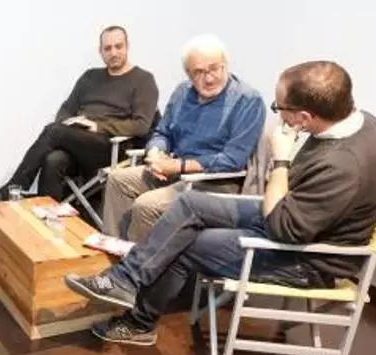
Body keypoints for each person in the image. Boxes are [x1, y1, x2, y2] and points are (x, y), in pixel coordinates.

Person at [65, 61, 376, 346]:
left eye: (279, 108)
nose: (277, 114)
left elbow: (283, 230)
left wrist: (280, 161)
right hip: (293, 215)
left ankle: (140, 323)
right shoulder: (361, 121)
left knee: (184, 242)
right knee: (190, 204)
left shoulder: (343, 166)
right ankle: (125, 279)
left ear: (305, 117)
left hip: (308, 258)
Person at [0, 25, 159, 206]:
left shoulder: (143, 80)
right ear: (101, 51)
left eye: (118, 46)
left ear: (127, 46)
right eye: (107, 48)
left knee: (53, 131)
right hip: (79, 141)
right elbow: (67, 108)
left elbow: (141, 125)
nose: (114, 53)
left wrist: (99, 127)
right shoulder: (90, 77)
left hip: (111, 147)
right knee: (53, 160)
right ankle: (45, 218)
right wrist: (68, 123)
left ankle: (10, 190)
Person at [103, 33, 266, 242]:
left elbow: (233, 159)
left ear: (225, 65)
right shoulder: (182, 92)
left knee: (147, 205)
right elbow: (162, 133)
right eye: (199, 72)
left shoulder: (248, 100)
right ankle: (114, 251)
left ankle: (139, 262)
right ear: (188, 73)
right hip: (174, 171)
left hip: (215, 181)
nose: (209, 78)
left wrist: (178, 166)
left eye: (214, 69)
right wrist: (155, 153)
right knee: (118, 180)